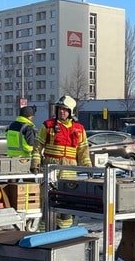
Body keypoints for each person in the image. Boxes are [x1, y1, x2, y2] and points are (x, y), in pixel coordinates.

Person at [31, 95, 91, 229]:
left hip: (69, 172)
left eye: (64, 110)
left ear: (70, 112)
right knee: (47, 203)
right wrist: (35, 163)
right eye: (59, 109)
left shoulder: (79, 129)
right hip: (51, 169)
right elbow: (37, 146)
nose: (61, 112)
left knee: (67, 205)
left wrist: (88, 167)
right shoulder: (48, 126)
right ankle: (43, 235)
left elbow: (83, 150)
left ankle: (63, 235)